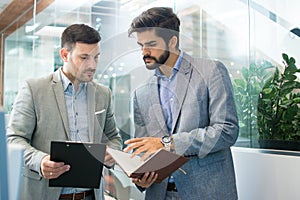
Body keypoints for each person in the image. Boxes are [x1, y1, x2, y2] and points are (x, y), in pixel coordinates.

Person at [124, 7, 239, 200]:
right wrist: (142, 178)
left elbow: (226, 130)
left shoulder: (211, 71)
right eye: (141, 45)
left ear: (172, 41)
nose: (144, 52)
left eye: (151, 44)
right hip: (160, 194)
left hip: (206, 192)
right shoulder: (141, 93)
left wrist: (167, 143)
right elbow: (145, 150)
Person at [7, 24, 122, 200]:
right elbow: (13, 139)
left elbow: (113, 137)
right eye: (84, 57)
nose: (92, 65)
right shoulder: (34, 89)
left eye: (96, 57)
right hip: (45, 194)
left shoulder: (103, 94)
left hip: (91, 195)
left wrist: (112, 152)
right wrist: (40, 161)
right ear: (64, 55)